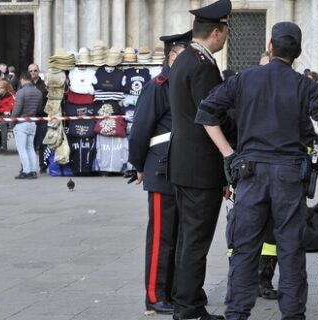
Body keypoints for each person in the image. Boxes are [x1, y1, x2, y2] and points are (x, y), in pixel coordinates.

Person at [196, 21, 318, 320]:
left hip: (250, 173)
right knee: (290, 250)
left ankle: (236, 313)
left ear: (270, 47)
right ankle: (292, 314)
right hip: (289, 174)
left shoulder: (244, 79)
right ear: (298, 52)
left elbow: (206, 113)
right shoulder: (306, 86)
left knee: (245, 249)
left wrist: (228, 154)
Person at [166, 0, 234, 319]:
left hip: (182, 163)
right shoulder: (203, 66)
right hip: (200, 168)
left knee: (186, 238)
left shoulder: (182, 59)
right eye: (225, 33)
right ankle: (189, 308)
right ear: (217, 32)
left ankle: (186, 298)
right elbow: (215, 116)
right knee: (196, 241)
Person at [128, 30, 193, 316]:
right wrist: (139, 165)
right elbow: (140, 130)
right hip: (159, 169)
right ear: (172, 56)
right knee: (161, 238)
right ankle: (155, 296)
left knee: (178, 236)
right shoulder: (158, 86)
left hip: (181, 169)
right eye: (184, 54)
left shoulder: (183, 83)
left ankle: (173, 291)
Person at [11, 72, 43, 179]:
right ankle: (33, 171)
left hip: (21, 123)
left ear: (22, 79)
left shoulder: (21, 92)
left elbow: (16, 110)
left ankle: (26, 171)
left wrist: (12, 122)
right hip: (32, 123)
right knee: (30, 148)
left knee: (22, 149)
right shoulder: (38, 92)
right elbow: (39, 109)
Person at [28, 64, 49, 174]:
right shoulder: (26, 86)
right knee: (30, 143)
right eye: (31, 71)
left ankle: (43, 166)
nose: (33, 72)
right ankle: (30, 167)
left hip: (42, 118)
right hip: (30, 118)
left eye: (35, 70)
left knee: (42, 143)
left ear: (38, 71)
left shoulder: (44, 86)